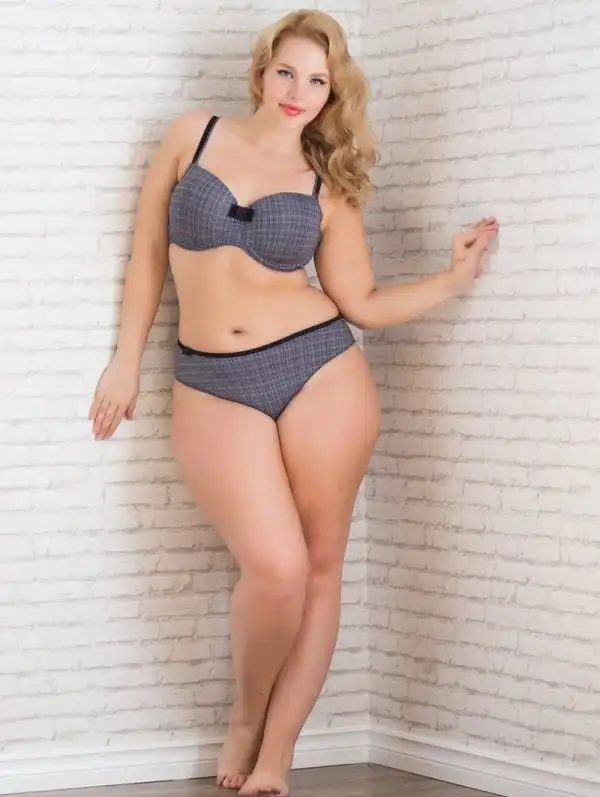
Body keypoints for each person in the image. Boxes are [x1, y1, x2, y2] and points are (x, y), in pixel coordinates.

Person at [89, 8, 498, 796]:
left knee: (318, 566)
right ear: (261, 70)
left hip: (320, 371)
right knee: (274, 567)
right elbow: (146, 254)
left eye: (318, 81)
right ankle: (247, 716)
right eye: (288, 71)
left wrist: (452, 278)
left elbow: (361, 302)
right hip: (213, 380)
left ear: (331, 94)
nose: (298, 91)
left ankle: (278, 754)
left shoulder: (327, 184)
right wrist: (125, 361)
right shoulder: (192, 137)